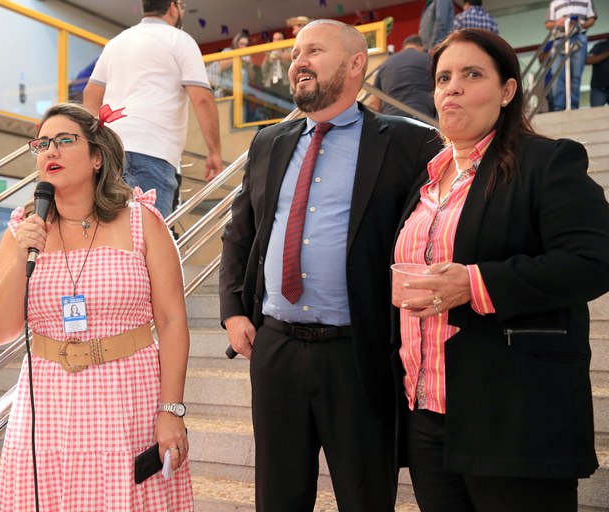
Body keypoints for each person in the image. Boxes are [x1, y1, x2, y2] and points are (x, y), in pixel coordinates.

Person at [218, 20, 442, 512]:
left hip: (358, 354)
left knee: (365, 499)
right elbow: (239, 233)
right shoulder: (267, 141)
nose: (298, 62)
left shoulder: (410, 143)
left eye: (313, 51)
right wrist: (233, 311)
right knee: (278, 498)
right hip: (275, 349)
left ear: (356, 63)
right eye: (295, 53)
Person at [392, 28, 609, 512]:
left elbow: (594, 261)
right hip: (427, 413)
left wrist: (475, 283)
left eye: (472, 75)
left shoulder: (547, 161)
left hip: (512, 413)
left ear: (508, 90)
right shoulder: (425, 178)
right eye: (443, 77)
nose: (453, 87)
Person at [0, 103, 192, 511]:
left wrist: (171, 410)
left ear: (97, 157)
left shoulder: (142, 221)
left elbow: (171, 320)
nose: (50, 151)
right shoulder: (22, 231)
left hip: (127, 395)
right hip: (47, 401)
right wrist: (22, 253)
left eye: (64, 140)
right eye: (42, 144)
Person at [83, 0, 222, 218]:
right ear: (173, 7)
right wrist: (214, 151)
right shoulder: (180, 40)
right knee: (149, 233)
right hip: (153, 151)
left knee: (108, 229)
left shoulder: (117, 42)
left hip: (110, 150)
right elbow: (202, 99)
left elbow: (90, 94)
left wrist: (95, 140)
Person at [545, 0, 597, 111]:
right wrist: (558, 23)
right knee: (557, 75)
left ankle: (573, 106)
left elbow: (592, 18)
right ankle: (558, 107)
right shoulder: (555, 3)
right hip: (559, 38)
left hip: (579, 36)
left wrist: (580, 24)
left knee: (576, 75)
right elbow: (548, 24)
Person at [371, 34, 435, 119]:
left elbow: (375, 104)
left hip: (391, 120)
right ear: (422, 47)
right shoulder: (429, 59)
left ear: (403, 48)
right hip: (422, 118)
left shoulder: (385, 64)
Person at [261, 32, 292, 100]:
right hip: (271, 83)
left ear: (284, 40)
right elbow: (263, 70)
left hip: (285, 83)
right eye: (274, 39)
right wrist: (267, 59)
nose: (276, 41)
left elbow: (291, 68)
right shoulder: (269, 52)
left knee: (285, 103)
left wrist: (281, 57)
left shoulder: (288, 51)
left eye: (279, 39)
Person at [587, 37, 609, 107]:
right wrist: (607, 53)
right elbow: (588, 60)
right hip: (598, 87)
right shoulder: (600, 45)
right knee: (595, 112)